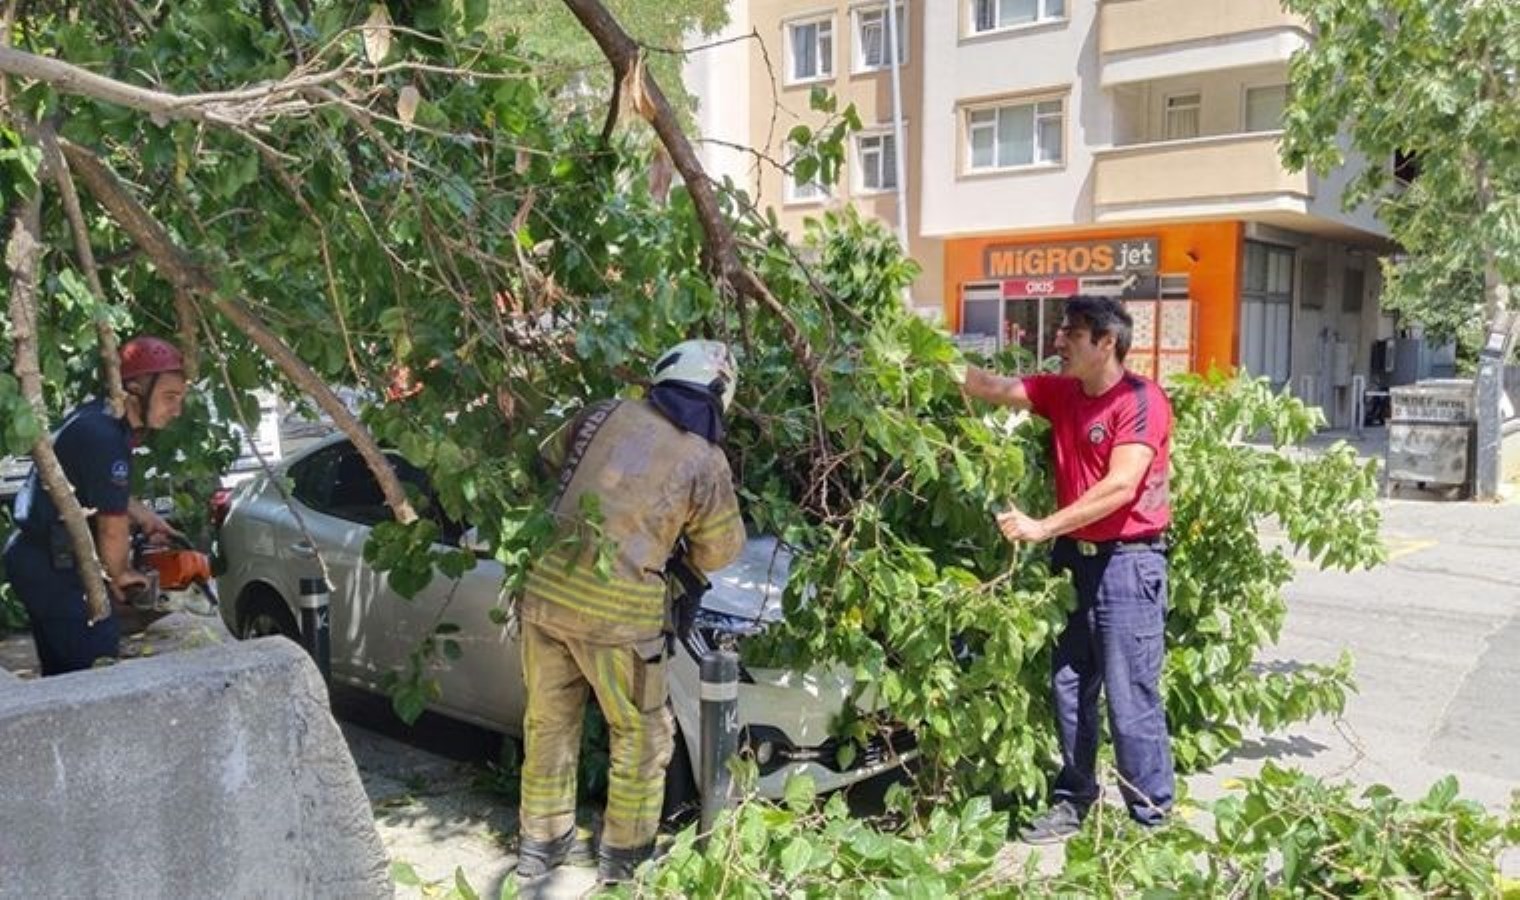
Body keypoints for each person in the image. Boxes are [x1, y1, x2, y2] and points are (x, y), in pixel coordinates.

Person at [517, 339, 747, 885]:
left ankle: (539, 846)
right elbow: (722, 548)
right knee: (642, 736)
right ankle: (625, 858)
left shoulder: (600, 413)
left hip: (545, 598)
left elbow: (544, 463)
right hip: (620, 620)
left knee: (548, 723)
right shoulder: (704, 458)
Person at [960, 295, 1175, 842]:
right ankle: (1074, 800)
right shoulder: (1061, 392)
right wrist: (913, 357)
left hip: (1128, 564)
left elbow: (1122, 486)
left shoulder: (1141, 399)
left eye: (1072, 333)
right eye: (1060, 330)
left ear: (1107, 342)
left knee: (1131, 697)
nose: (1059, 340)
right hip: (1073, 565)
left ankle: (1150, 819)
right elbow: (988, 386)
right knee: (1071, 687)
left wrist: (1043, 526)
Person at [3, 336, 188, 676]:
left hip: (39, 559)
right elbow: (111, 526)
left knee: (64, 677)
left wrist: (144, 516)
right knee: (96, 668)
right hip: (54, 567)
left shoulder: (98, 418)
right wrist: (121, 574)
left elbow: (99, 488)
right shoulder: (106, 439)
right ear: (135, 390)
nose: (176, 409)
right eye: (169, 397)